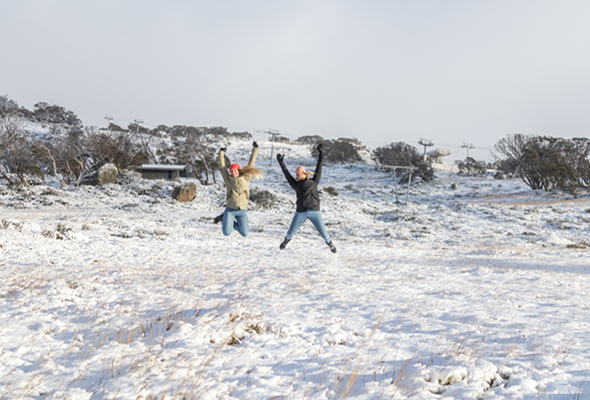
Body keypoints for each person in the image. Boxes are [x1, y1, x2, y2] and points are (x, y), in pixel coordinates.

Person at [276, 143, 336, 253]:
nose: (299, 177)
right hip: (301, 212)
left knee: (323, 233)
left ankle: (330, 244)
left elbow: (319, 167)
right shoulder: (295, 185)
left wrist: (321, 154)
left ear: (305, 173)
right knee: (291, 231)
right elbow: (287, 174)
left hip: (314, 211)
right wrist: (281, 162)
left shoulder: (314, 182)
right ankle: (285, 241)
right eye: (297, 175)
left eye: (301, 174)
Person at [215, 141, 262, 237]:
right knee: (226, 232)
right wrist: (221, 153)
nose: (233, 172)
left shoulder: (246, 178)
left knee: (244, 233)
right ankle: (224, 218)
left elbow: (251, 163)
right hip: (230, 210)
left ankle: (229, 222)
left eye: (235, 170)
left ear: (238, 171)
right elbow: (222, 167)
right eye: (231, 171)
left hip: (242, 211)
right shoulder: (228, 179)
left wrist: (255, 149)